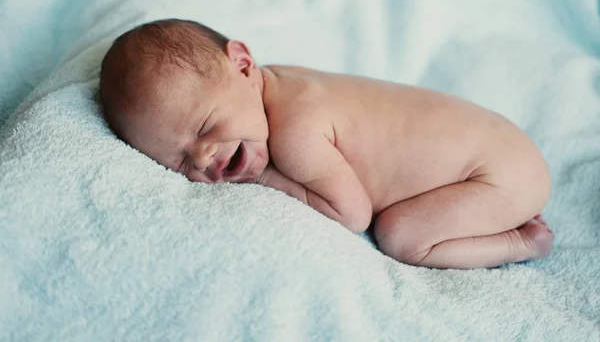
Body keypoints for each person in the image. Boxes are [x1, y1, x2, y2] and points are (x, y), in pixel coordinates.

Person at [99, 18, 554, 269]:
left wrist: (265, 176)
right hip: (499, 145)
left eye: (203, 127)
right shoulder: (275, 84)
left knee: (401, 237)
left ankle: (520, 242)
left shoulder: (296, 133)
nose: (201, 157)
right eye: (177, 160)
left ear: (242, 65)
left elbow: (352, 214)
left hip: (494, 176)